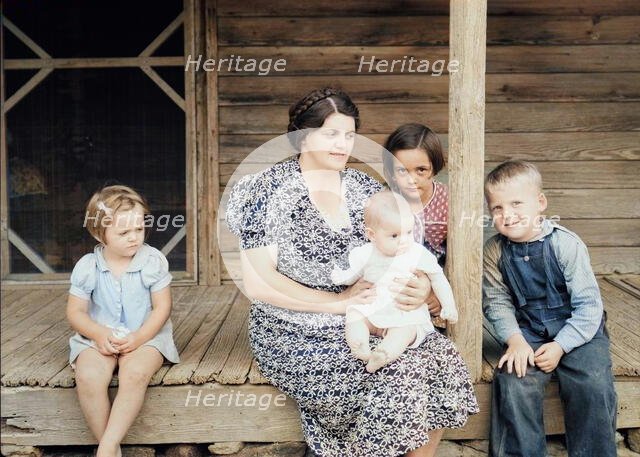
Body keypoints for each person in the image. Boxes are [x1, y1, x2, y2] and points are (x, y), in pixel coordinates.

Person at [226, 87, 478, 457]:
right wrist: (337, 305)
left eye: (349, 135)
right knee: (395, 375)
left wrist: (423, 284)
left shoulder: (363, 188)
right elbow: (258, 282)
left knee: (438, 355)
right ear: (300, 135)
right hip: (294, 326)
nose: (343, 144)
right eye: (331, 134)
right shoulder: (266, 188)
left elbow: (398, 245)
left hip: (368, 311)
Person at [483, 160, 617, 457]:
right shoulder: (494, 250)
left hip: (579, 329)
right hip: (528, 329)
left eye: (517, 203)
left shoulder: (566, 245)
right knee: (512, 379)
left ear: (540, 203)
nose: (508, 215)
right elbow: (496, 301)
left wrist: (560, 346)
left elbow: (589, 307)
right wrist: (515, 341)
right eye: (497, 208)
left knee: (591, 381)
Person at [66, 185, 179, 457]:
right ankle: (112, 449)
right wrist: (98, 333)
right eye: (123, 232)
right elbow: (75, 313)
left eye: (139, 230)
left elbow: (162, 307)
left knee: (135, 373)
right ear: (99, 232)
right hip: (98, 337)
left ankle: (105, 448)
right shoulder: (87, 266)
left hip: (146, 336)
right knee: (89, 376)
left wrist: (139, 338)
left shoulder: (152, 261)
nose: (134, 238)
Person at [332, 190, 458, 373]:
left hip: (403, 313)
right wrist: (342, 277)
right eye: (394, 236)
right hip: (373, 308)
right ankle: (359, 345)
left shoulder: (417, 253)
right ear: (372, 235)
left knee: (406, 331)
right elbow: (355, 273)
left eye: (408, 232)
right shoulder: (366, 252)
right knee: (355, 315)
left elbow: (438, 277)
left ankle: (384, 353)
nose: (404, 241)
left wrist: (449, 305)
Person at [382, 123, 448, 267]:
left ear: (435, 167)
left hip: (433, 275)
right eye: (402, 171)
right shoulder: (383, 200)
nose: (411, 180)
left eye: (421, 170)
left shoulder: (447, 201)